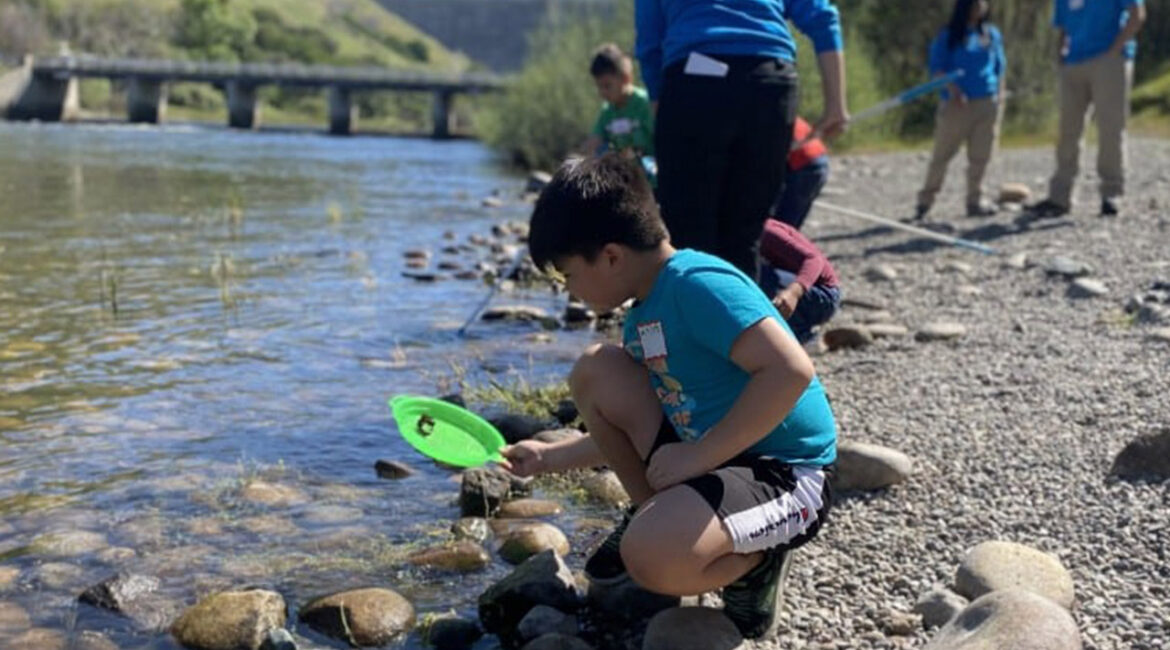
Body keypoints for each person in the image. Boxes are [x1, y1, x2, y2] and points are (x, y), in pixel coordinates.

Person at [504, 154, 837, 639]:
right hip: (715, 461)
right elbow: (666, 415)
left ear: (612, 256)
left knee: (650, 560)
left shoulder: (698, 284)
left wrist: (699, 454)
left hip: (787, 473)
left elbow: (790, 371)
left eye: (567, 275)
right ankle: (656, 517)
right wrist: (549, 457)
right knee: (597, 370)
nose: (569, 292)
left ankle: (755, 567)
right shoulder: (643, 313)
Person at [637, 0, 849, 277]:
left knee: (688, 232)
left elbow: (650, 44)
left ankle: (697, 314)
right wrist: (835, 103)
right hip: (769, 82)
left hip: (694, 80)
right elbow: (821, 16)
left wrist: (663, 116)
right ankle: (743, 317)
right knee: (746, 232)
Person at [1028, 0, 1146, 218]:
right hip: (1074, 62)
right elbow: (1062, 25)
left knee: (1110, 128)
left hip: (1108, 60)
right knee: (1068, 130)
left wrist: (1115, 50)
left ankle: (1111, 193)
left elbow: (1137, 14)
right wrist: (1060, 54)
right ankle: (1060, 197)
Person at [913, 0, 1006, 221]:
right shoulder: (949, 35)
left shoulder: (991, 34)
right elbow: (937, 68)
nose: (979, 7)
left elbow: (1000, 66)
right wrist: (953, 89)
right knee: (942, 155)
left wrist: (999, 95)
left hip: (987, 101)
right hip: (957, 105)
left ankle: (976, 200)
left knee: (981, 155)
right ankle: (925, 201)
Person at [758, 218, 841, 344]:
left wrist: (793, 293)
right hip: (792, 284)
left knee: (759, 275)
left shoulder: (766, 232)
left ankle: (800, 336)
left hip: (822, 295)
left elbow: (814, 260)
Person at [579, 43, 655, 162]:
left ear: (625, 78)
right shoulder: (607, 112)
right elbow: (593, 144)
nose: (602, 92)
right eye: (599, 87)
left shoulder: (646, 104)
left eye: (607, 86)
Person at [772, 116, 830, 230]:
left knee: (780, 226)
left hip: (803, 165)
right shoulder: (782, 107)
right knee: (788, 226)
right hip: (818, 160)